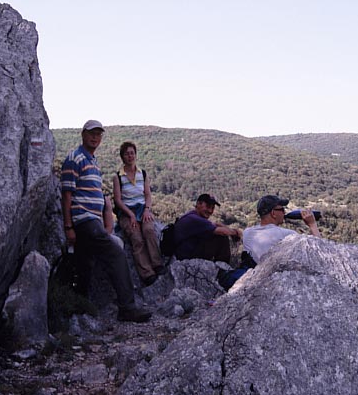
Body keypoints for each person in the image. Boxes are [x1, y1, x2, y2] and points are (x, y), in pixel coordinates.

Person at [60, 120, 151, 323]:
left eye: (99, 134)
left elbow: (100, 200)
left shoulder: (93, 161)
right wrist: (68, 227)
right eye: (92, 133)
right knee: (116, 253)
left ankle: (79, 305)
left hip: (93, 222)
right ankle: (127, 307)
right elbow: (66, 196)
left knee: (85, 264)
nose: (95, 137)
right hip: (83, 221)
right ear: (83, 134)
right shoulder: (75, 159)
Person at [113, 141, 164, 286]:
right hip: (126, 212)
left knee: (149, 230)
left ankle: (157, 264)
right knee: (136, 238)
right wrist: (130, 215)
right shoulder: (118, 177)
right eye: (126, 154)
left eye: (132, 153)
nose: (130, 156)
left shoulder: (143, 174)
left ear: (135, 155)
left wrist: (147, 209)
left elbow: (147, 194)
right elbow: (118, 201)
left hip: (142, 209)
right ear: (122, 157)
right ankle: (147, 273)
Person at [243, 195, 321, 264]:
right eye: (282, 210)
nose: (284, 213)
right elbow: (317, 252)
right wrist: (312, 224)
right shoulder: (287, 235)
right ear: (273, 213)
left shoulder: (247, 233)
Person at [174, 194, 242, 263]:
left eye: (212, 208)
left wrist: (223, 226)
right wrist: (236, 232)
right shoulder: (195, 219)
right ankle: (223, 268)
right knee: (221, 238)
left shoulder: (192, 215)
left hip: (184, 252)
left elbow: (214, 224)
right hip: (186, 257)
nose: (210, 211)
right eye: (208, 206)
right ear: (198, 203)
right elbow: (223, 232)